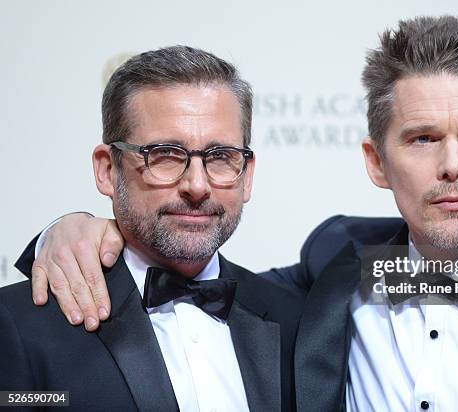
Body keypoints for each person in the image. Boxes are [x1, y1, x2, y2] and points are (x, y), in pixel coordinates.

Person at [14, 17, 458, 411]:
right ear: (376, 162)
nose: (452, 165)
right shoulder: (338, 264)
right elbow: (200, 272)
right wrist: (65, 232)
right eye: (423, 139)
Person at [1, 45, 303, 412]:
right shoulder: (20, 325)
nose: (197, 185)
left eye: (221, 157)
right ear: (107, 170)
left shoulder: (298, 322)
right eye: (165, 154)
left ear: (248, 175)